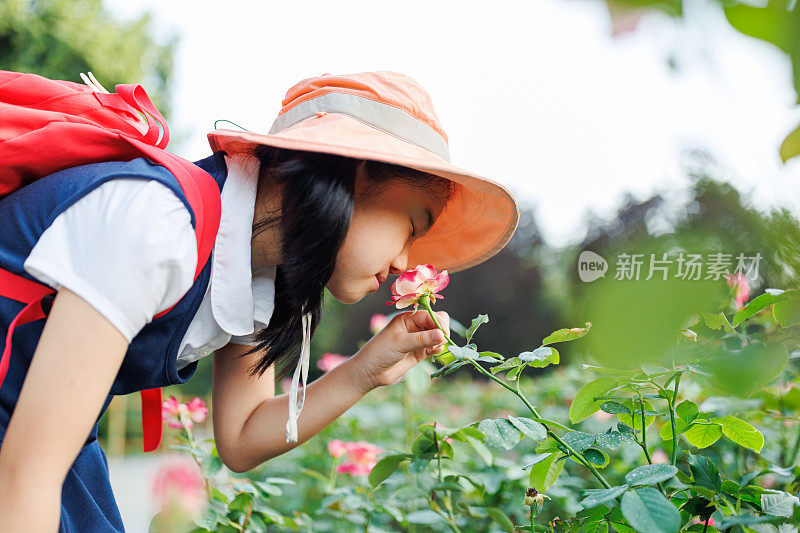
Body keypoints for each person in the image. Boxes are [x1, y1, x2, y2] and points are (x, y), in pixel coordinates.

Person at [0, 70, 519, 531]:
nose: (407, 262)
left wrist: (365, 370)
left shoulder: (254, 268)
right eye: (411, 226)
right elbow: (25, 478)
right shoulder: (159, 227)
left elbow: (242, 437)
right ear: (356, 173)